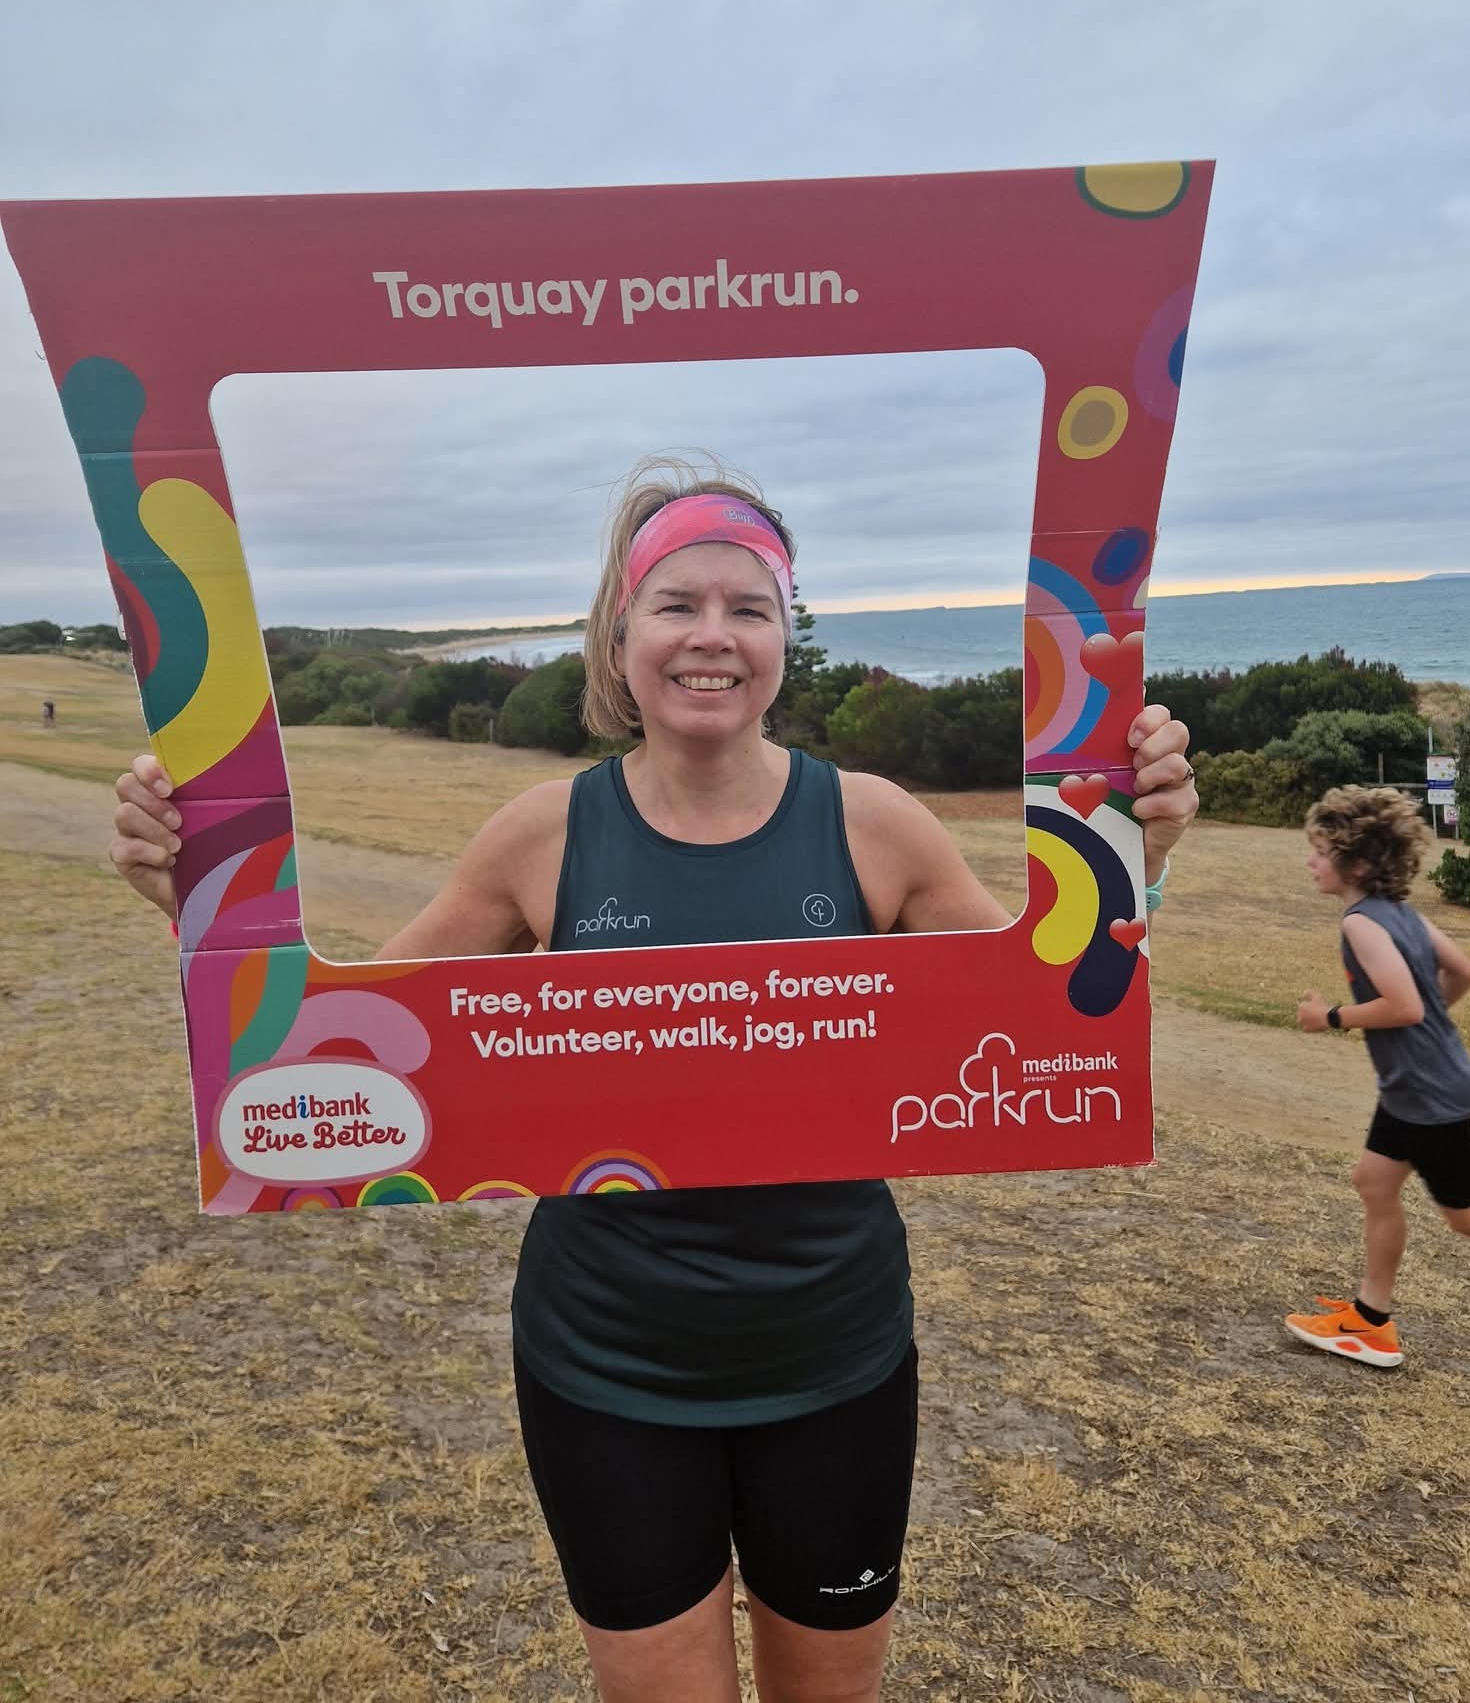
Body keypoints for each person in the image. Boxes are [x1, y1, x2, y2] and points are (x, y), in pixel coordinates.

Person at [110, 457, 1198, 1703]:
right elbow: (324, 1049)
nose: (714, 636)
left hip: (836, 1352)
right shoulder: (541, 835)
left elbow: (1049, 1021)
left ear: (790, 636)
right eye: (679, 602)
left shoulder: (878, 824)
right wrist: (194, 909)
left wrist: (1135, 858)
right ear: (619, 633)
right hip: (605, 1365)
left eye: (751, 606)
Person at [1286, 784, 1470, 1372]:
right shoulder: (1399, 912)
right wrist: (1429, 1034)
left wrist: (1329, 1018)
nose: (1311, 861)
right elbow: (1463, 971)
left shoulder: (1361, 924)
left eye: (1321, 851)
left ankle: (1371, 1322)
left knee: (1469, 1216)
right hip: (1417, 1087)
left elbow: (1404, 1006)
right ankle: (1370, 1321)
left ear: (1360, 863)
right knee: (1374, 1182)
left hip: (1429, 1095)